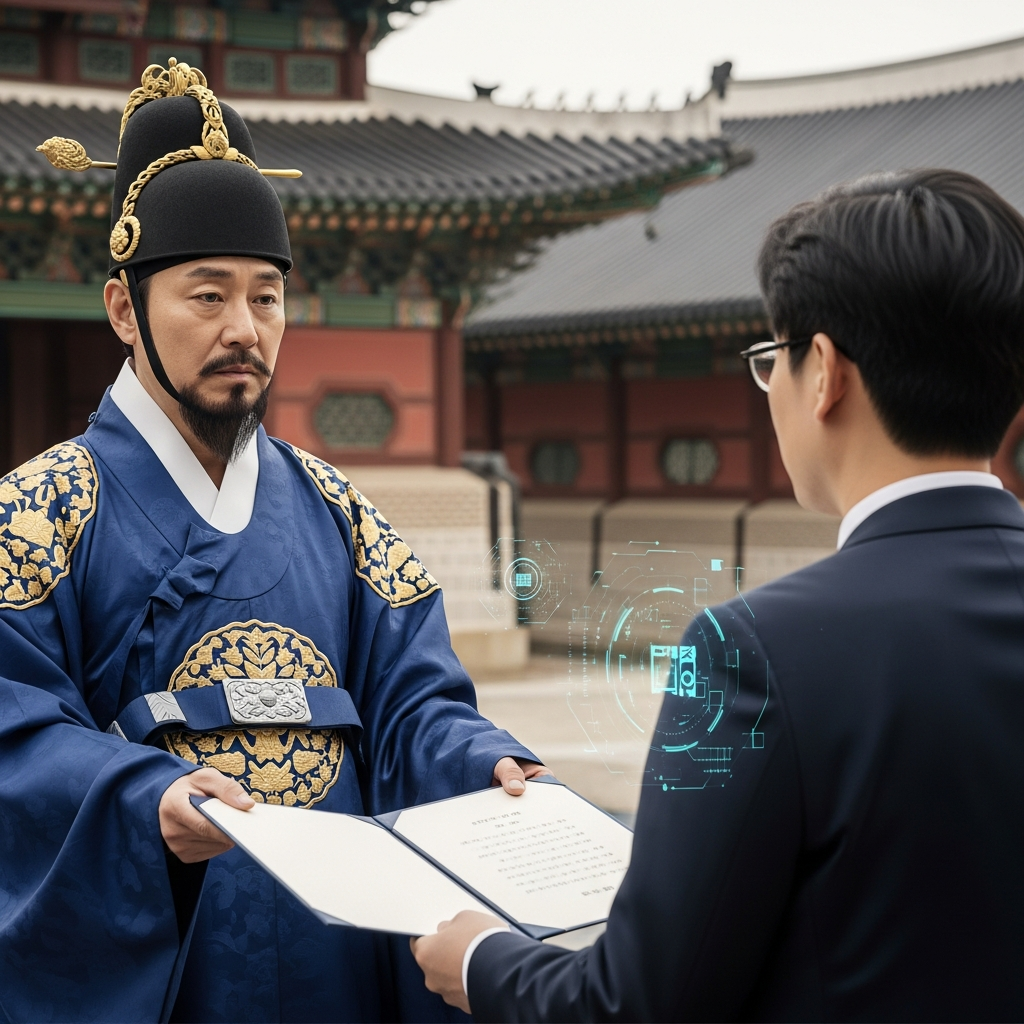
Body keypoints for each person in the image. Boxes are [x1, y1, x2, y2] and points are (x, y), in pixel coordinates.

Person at [0, 59, 549, 1023]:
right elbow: (15, 732)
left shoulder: (339, 512)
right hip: (174, 962)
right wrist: (138, 798)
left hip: (339, 961)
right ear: (125, 309)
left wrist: (482, 763)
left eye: (266, 297)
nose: (244, 331)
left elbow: (414, 702)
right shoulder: (36, 515)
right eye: (207, 297)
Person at [412, 169, 1024, 1022]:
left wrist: (482, 961)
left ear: (824, 373)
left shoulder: (752, 652)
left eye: (772, 360)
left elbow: (642, 1001)